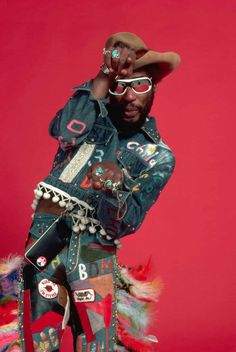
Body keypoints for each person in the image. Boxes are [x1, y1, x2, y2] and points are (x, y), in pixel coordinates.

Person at [1, 32, 180, 352]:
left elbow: (128, 222)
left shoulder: (157, 155)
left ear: (153, 86)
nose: (129, 97)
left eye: (140, 85)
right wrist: (102, 75)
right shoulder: (87, 120)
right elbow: (63, 128)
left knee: (97, 345)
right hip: (46, 238)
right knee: (38, 343)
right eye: (120, 86)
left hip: (94, 252)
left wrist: (111, 191)